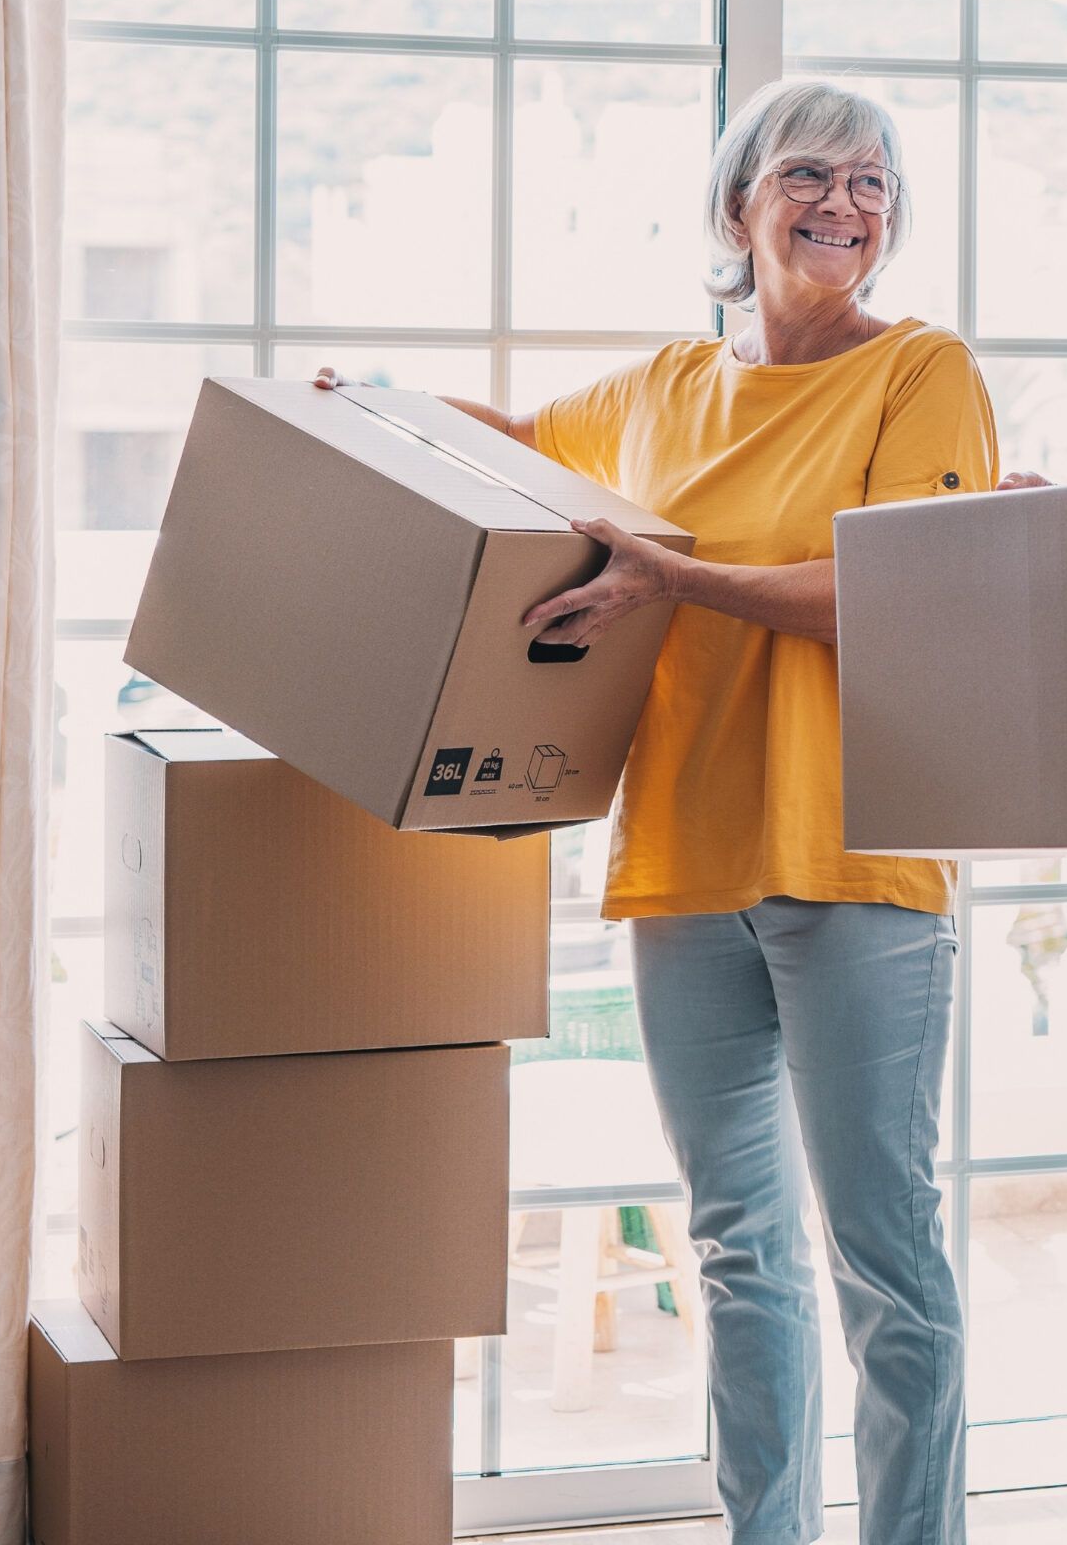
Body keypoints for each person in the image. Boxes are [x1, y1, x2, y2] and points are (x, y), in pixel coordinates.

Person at [317, 79, 994, 1545]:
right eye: (812, 173)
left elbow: (897, 599)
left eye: (876, 182)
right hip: (687, 866)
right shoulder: (663, 392)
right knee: (740, 1248)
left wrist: (676, 577)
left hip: (856, 863)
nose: (848, 204)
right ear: (738, 204)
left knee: (886, 1258)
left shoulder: (921, 372)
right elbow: (519, 451)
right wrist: (372, 406)